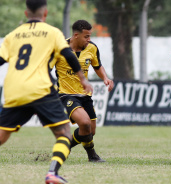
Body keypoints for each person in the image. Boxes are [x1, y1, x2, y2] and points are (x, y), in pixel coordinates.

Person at [0, 0, 93, 183]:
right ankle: (52, 173)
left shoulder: (13, 35)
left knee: (2, 135)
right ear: (45, 13)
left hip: (14, 89)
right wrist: (83, 79)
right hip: (40, 89)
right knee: (64, 133)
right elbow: (68, 55)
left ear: (26, 14)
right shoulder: (52, 32)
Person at [51, 20, 114, 162]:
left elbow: (98, 66)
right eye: (86, 36)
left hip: (85, 95)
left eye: (90, 36)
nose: (89, 39)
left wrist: (105, 78)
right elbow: (45, 68)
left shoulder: (91, 48)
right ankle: (92, 156)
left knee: (90, 132)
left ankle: (68, 145)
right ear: (76, 35)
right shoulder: (60, 48)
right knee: (84, 123)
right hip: (66, 95)